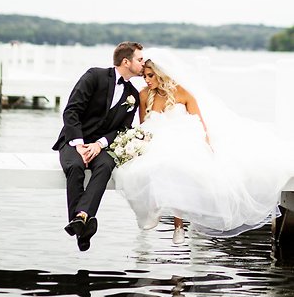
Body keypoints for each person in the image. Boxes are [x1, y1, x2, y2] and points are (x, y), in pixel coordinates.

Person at [114, 47, 294, 244]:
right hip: (158, 139)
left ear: (160, 74)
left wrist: (207, 146)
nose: (147, 80)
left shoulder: (182, 93)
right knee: (144, 168)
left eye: (150, 75)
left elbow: (200, 123)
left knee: (179, 166)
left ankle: (179, 225)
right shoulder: (144, 94)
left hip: (184, 137)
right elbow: (144, 125)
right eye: (144, 76)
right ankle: (151, 211)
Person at [52, 41, 144, 251]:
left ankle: (80, 218)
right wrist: (79, 144)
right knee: (75, 167)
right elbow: (71, 111)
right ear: (125, 61)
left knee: (105, 166)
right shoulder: (95, 76)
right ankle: (82, 226)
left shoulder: (134, 96)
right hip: (73, 140)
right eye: (139, 59)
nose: (143, 63)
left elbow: (122, 129)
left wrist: (100, 144)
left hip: (101, 146)